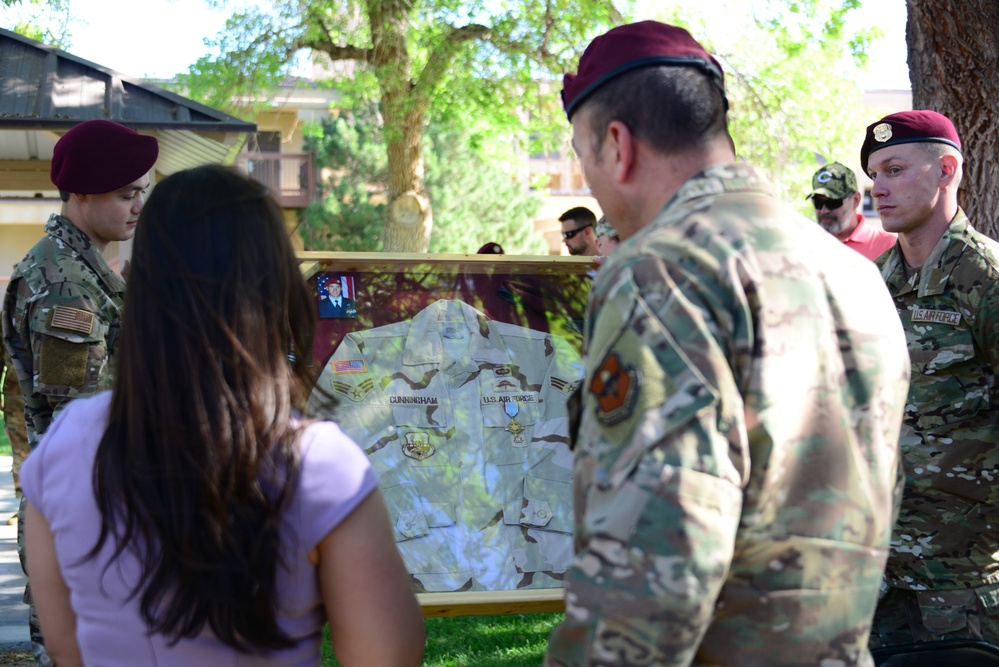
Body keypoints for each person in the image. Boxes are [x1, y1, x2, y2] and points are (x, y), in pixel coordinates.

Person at [544, 21, 911, 666]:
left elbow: (652, 565)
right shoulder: (853, 272)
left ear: (617, 145)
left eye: (584, 158)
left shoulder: (663, 271)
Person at [20, 165, 425, 666]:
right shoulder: (319, 464)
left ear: (140, 287)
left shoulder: (65, 445)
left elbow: (64, 647)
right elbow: (385, 655)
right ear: (276, 287)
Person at [1, 118, 158, 667]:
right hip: (81, 509)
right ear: (84, 193)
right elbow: (82, 417)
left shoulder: (87, 271)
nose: (138, 204)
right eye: (126, 194)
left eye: (143, 190)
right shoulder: (63, 283)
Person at [861, 110, 999, 648]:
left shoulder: (984, 280)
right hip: (880, 583)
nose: (878, 188)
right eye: (874, 175)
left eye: (894, 170)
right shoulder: (873, 284)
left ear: (946, 170)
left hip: (965, 591)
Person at [807, 161, 896, 261]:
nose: (824, 210)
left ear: (855, 200)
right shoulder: (804, 243)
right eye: (818, 203)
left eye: (833, 202)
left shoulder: (888, 246)